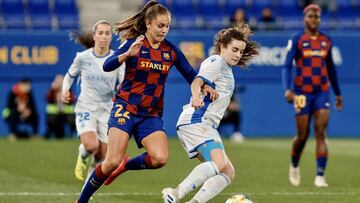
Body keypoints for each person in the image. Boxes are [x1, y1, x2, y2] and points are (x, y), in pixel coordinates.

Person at [75, 1, 217, 202]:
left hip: (150, 114)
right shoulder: (135, 43)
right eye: (160, 26)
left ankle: (126, 166)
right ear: (148, 24)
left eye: (167, 26)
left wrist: (205, 85)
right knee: (110, 162)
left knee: (160, 159)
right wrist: (126, 54)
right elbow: (107, 65)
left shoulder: (171, 50)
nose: (164, 30)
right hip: (125, 108)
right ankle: (81, 201)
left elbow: (191, 74)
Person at [162, 22, 259, 203]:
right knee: (220, 164)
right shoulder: (216, 61)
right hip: (197, 120)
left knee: (228, 172)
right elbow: (196, 81)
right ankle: (174, 194)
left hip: (205, 124)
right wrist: (197, 96)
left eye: (240, 51)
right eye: (234, 49)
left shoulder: (226, 69)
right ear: (222, 46)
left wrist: (209, 91)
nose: (238, 55)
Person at [282, 4, 343, 187]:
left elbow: (331, 68)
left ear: (320, 19)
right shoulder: (297, 39)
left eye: (316, 17)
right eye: (310, 16)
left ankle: (320, 175)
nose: (313, 19)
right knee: (303, 135)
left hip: (322, 92)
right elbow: (286, 65)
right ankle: (294, 165)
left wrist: (338, 93)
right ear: (304, 18)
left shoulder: (327, 40)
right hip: (301, 92)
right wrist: (287, 89)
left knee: (321, 132)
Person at [61, 20, 125, 182]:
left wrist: (121, 90)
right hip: (86, 106)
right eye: (101, 33)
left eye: (107, 33)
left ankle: (87, 188)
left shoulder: (117, 59)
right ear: (95, 36)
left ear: (111, 37)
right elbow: (69, 76)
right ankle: (82, 156)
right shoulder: (83, 58)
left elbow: (123, 82)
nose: (104, 37)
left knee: (102, 155)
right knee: (91, 146)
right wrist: (65, 90)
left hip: (107, 109)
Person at [45, 74, 76, 139]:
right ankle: (51, 134)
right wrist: (52, 90)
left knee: (72, 119)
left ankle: (73, 134)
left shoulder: (68, 89)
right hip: (55, 114)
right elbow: (47, 98)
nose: (59, 82)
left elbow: (72, 99)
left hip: (66, 114)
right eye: (57, 80)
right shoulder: (52, 90)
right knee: (52, 120)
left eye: (61, 80)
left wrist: (65, 96)